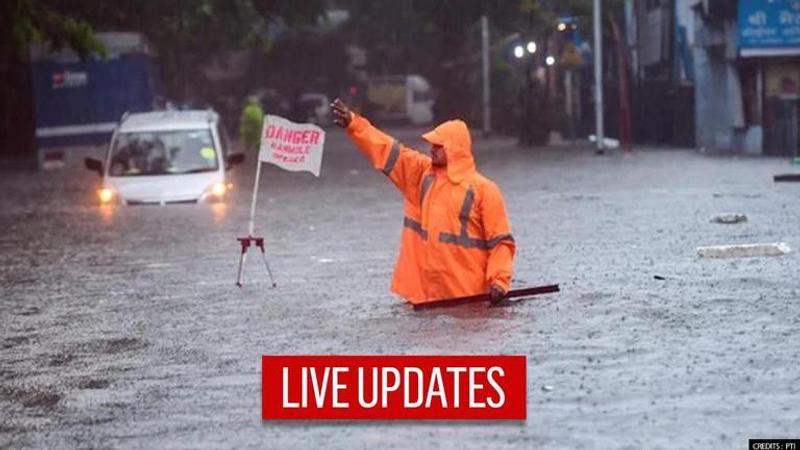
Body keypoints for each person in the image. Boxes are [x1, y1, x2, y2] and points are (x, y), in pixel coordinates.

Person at [330, 98, 515, 305]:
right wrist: (354, 125)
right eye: (432, 145)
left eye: (438, 146)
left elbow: (501, 242)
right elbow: (388, 150)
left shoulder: (485, 190)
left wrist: (499, 281)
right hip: (425, 298)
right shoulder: (422, 175)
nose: (432, 149)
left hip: (468, 299)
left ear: (454, 149)